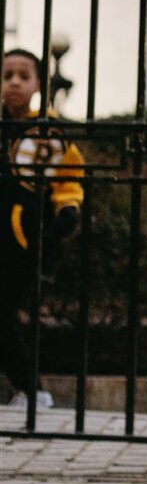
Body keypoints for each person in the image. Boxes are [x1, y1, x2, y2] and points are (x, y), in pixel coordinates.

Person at [1, 47, 84, 412]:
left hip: (19, 238)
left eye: (23, 76)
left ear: (38, 84)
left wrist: (68, 209)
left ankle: (33, 391)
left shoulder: (48, 131)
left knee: (1, 314)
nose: (14, 82)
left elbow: (69, 177)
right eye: (7, 76)